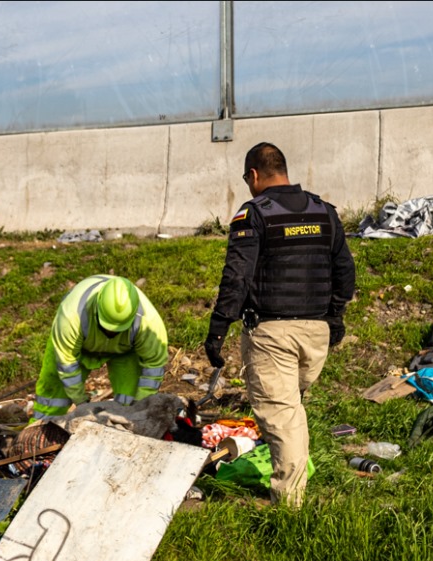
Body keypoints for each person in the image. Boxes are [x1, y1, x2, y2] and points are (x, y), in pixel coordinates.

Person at [204, 142, 355, 507]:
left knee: (283, 418)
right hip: (316, 334)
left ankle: (290, 509)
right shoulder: (325, 211)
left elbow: (237, 276)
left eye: (246, 179)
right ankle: (296, 481)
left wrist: (219, 327)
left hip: (272, 334)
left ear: (254, 175)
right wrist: (334, 317)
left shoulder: (254, 213)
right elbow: (345, 272)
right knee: (291, 412)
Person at [32, 275, 168, 420]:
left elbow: (153, 367)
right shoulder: (71, 317)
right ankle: (40, 430)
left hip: (125, 352)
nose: (111, 333)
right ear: (96, 309)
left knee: (131, 398)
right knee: (53, 395)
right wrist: (81, 402)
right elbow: (67, 364)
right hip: (78, 346)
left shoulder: (149, 323)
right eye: (107, 328)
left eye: (117, 329)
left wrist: (138, 409)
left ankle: (123, 432)